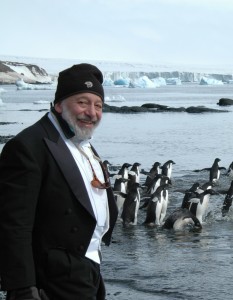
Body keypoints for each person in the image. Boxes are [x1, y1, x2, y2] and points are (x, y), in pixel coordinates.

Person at [0, 63, 118, 300]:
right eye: (82, 102)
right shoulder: (29, 146)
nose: (92, 112)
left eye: (98, 105)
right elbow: (13, 225)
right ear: (58, 104)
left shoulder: (81, 142)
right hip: (51, 281)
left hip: (87, 269)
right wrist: (23, 288)